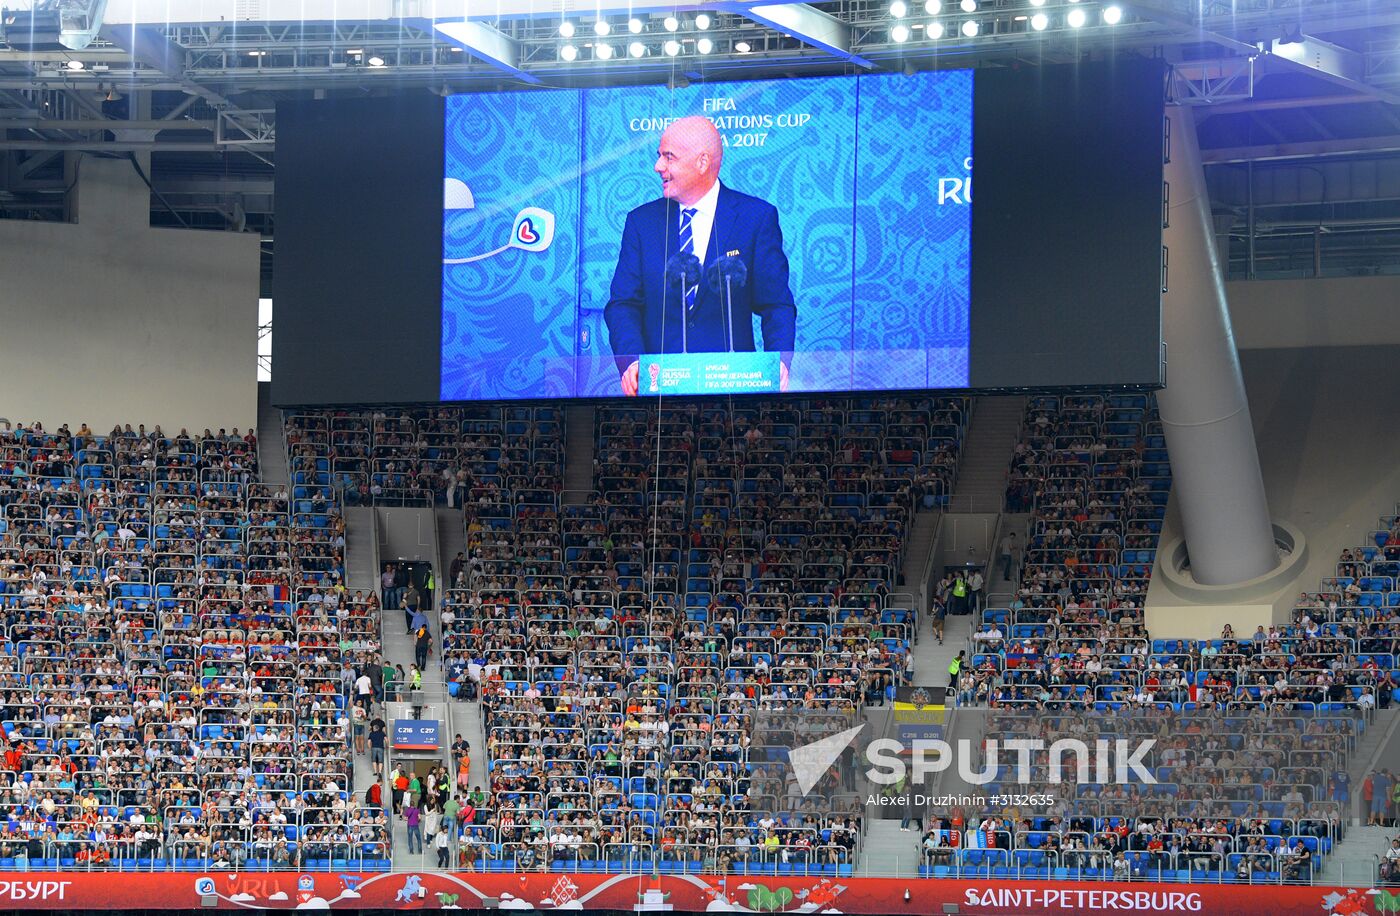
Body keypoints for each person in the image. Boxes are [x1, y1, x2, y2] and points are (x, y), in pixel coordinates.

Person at [604, 116, 796, 396]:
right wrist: (631, 362)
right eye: (659, 156)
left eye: (669, 158)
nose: (658, 167)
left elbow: (776, 305)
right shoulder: (641, 223)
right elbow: (623, 304)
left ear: (702, 162)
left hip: (732, 393)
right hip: (658, 394)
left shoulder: (755, 218)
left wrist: (777, 363)